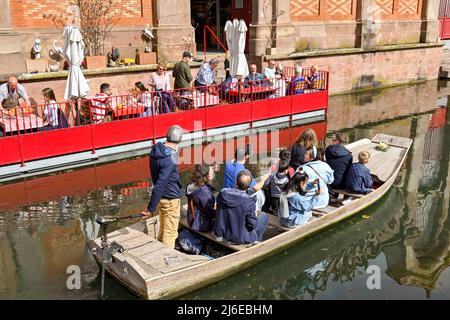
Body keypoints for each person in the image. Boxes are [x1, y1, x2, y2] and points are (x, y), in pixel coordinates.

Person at [141, 125, 184, 248]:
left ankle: (159, 252)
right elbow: (161, 183)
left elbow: (157, 181)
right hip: (171, 199)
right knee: (170, 233)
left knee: (163, 229)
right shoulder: (171, 157)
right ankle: (166, 262)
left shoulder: (155, 149)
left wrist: (153, 204)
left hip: (162, 199)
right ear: (180, 140)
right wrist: (150, 209)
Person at [214, 170, 269, 244]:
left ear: (236, 183)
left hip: (221, 234)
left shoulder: (223, 193)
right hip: (238, 238)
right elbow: (252, 224)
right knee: (264, 216)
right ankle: (256, 243)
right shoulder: (249, 202)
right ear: (249, 186)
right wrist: (254, 215)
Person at [186, 164, 217, 232]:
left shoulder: (192, 184)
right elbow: (210, 213)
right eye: (211, 173)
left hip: (192, 218)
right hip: (200, 223)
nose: (213, 173)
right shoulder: (204, 192)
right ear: (206, 176)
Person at [325, 133, 353, 199]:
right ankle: (346, 198)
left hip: (328, 182)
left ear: (337, 141)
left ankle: (334, 196)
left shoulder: (328, 150)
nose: (332, 141)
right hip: (341, 184)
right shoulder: (349, 156)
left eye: (333, 140)